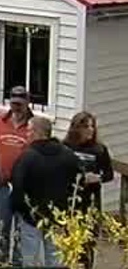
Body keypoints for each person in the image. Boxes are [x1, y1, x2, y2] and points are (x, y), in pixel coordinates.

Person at [11, 115, 83, 268]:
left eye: (29, 130)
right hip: (58, 216)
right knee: (56, 260)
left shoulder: (27, 157)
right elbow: (78, 183)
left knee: (30, 260)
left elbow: (17, 186)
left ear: (38, 133)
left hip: (31, 217)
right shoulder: (68, 155)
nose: (26, 134)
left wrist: (20, 209)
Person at [0, 85, 33, 260]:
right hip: (0, 186)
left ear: (28, 102)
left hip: (25, 188)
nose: (17, 106)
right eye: (13, 103)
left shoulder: (33, 126)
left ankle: (17, 262)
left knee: (21, 230)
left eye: (20, 103)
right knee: (0, 228)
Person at [63, 111, 113, 268]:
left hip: (90, 202)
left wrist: (97, 178)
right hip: (71, 201)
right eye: (86, 126)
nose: (90, 130)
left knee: (87, 243)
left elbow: (109, 174)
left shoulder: (99, 149)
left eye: (92, 126)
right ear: (76, 128)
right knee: (69, 242)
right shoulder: (66, 147)